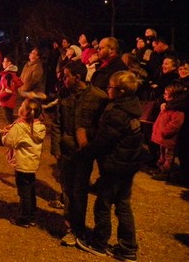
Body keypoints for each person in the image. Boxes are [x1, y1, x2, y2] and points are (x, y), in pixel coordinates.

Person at [77, 71, 143, 261]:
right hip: (127, 166)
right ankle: (128, 248)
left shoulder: (117, 114)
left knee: (103, 205)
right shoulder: (131, 107)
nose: (107, 89)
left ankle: (99, 242)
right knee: (123, 205)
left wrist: (84, 148)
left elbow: (102, 142)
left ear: (120, 91)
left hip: (115, 166)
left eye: (110, 87)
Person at [51, 60, 108, 247]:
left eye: (66, 76)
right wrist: (56, 148)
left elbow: (102, 127)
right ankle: (71, 227)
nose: (63, 79)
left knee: (79, 191)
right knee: (67, 190)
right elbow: (57, 122)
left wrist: (93, 147)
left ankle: (79, 228)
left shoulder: (98, 97)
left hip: (83, 153)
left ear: (78, 77)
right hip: (66, 151)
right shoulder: (64, 94)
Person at [1, 98, 47, 228]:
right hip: (31, 164)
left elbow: (8, 141)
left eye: (21, 105)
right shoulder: (39, 127)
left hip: (22, 164)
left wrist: (5, 135)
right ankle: (31, 214)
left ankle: (24, 218)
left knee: (24, 192)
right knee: (30, 190)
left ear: (25, 111)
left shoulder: (21, 127)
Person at [150, 82, 185, 181]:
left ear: (173, 95)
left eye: (166, 93)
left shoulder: (177, 110)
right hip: (163, 138)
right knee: (162, 155)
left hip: (169, 139)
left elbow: (175, 124)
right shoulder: (166, 107)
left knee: (168, 156)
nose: (164, 95)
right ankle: (160, 169)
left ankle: (166, 172)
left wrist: (165, 132)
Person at [0, 56, 23, 125]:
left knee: (8, 120)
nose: (2, 63)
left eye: (4, 61)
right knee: (9, 118)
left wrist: (0, 95)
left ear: (9, 63)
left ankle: (11, 133)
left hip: (6, 100)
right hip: (9, 100)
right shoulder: (11, 74)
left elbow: (9, 90)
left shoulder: (8, 75)